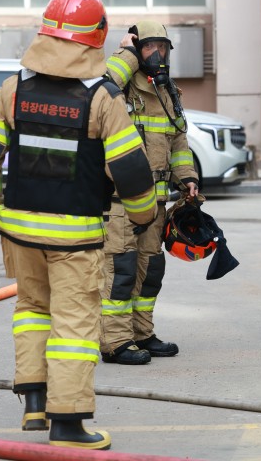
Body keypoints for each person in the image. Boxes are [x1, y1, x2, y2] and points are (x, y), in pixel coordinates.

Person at [0, 0, 157, 449]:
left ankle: (35, 405)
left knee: (32, 313)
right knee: (75, 326)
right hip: (75, 240)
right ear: (96, 37)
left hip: (19, 233)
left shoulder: (12, 89)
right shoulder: (101, 99)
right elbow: (133, 174)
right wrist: (144, 217)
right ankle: (69, 422)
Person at [100, 20, 199, 365]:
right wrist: (125, 53)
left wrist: (187, 177)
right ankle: (114, 342)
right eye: (148, 47)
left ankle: (141, 333)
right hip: (120, 200)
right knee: (121, 270)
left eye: (162, 47)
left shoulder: (166, 90)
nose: (156, 54)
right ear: (135, 48)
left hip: (155, 202)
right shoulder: (117, 87)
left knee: (149, 269)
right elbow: (101, 86)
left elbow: (178, 140)